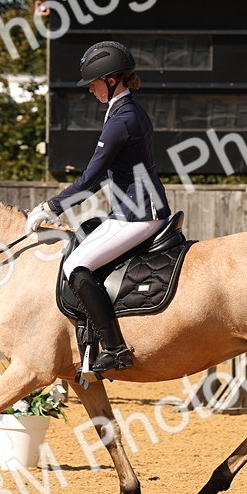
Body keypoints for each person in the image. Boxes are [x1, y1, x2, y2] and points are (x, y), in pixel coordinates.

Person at [27, 41, 171, 373]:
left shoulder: (124, 119)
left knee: (77, 265)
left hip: (139, 214)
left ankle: (116, 349)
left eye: (93, 82)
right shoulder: (123, 111)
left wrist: (51, 207)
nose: (90, 89)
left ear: (111, 79)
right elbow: (107, 175)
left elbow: (92, 178)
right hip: (127, 210)